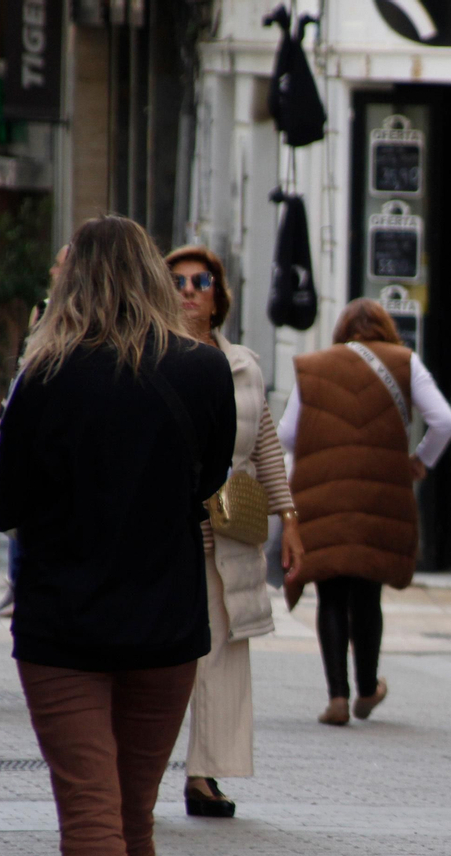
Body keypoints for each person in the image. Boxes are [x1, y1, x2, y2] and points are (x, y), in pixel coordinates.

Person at [0, 215, 235, 856]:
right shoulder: (203, 370)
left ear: (73, 280)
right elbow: (211, 477)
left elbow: (1, 502)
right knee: (128, 811)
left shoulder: (43, 375)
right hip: (167, 624)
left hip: (63, 626)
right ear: (156, 278)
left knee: (87, 807)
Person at [166, 244, 304, 817]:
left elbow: (267, 446)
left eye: (202, 280)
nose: (191, 289)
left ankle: (205, 776)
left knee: (224, 656)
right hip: (164, 534)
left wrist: (289, 519)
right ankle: (138, 771)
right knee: (164, 660)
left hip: (226, 535)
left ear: (219, 294)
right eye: (178, 281)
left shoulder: (243, 363)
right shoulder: (146, 356)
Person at [277, 298, 451, 725]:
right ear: (385, 329)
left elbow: (286, 434)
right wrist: (420, 460)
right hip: (380, 496)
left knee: (330, 592)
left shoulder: (314, 365)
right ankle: (367, 689)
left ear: (342, 330)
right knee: (367, 592)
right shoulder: (404, 361)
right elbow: (444, 421)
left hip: (323, 496)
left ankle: (336, 698)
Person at [0, 244, 69, 616]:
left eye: (60, 267)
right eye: (55, 266)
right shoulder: (41, 311)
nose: (53, 273)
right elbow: (15, 393)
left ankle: (23, 585)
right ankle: (18, 584)